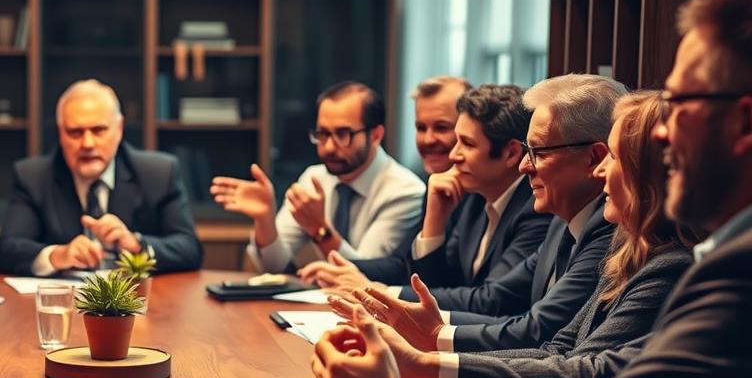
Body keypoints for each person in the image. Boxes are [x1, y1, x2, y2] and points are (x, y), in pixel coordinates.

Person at [313, 0, 752, 378]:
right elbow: (574, 356)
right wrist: (419, 365)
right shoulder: (702, 259)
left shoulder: (731, 278)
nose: (659, 129)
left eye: (679, 104)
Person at [358, 90, 696, 378]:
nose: (601, 171)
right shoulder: (619, 247)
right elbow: (559, 348)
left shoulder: (666, 264)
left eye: (615, 156)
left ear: (649, 175)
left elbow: (581, 375)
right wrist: (432, 349)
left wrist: (427, 363)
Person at [343, 74, 623, 352]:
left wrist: (433, 334)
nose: (525, 166)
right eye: (529, 150)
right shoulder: (559, 219)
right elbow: (492, 299)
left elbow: (527, 322)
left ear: (596, 158)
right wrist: (411, 319)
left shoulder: (603, 227)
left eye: (539, 151)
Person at [303, 84, 551, 296]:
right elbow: (432, 279)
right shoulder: (474, 195)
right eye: (420, 128)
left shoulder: (536, 207)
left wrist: (379, 290)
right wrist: (434, 219)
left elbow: (490, 299)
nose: (453, 154)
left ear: (510, 153)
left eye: (464, 142)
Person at [0, 78, 202, 274]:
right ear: (60, 133)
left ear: (119, 129)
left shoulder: (158, 173)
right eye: (75, 132)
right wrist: (57, 255)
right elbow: (6, 251)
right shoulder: (33, 177)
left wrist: (137, 244)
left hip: (137, 305)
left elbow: (189, 249)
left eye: (99, 130)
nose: (88, 144)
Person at [210, 81, 425, 272]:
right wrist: (265, 219)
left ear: (376, 135)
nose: (329, 147)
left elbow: (366, 277)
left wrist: (319, 229)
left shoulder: (406, 192)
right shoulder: (315, 178)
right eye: (322, 134)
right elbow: (273, 268)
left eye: (343, 134)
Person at [306, 75, 471, 286]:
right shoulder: (435, 186)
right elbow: (401, 265)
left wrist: (323, 236)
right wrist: (340, 270)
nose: (428, 140)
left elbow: (456, 289)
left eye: (441, 127)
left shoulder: (475, 193)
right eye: (421, 128)